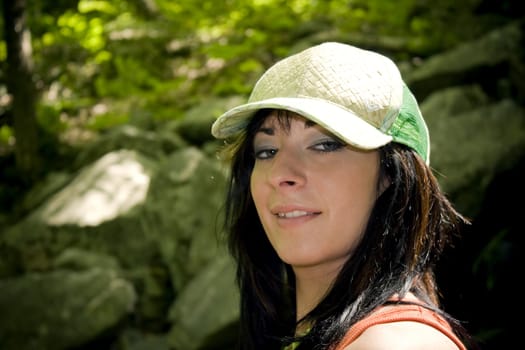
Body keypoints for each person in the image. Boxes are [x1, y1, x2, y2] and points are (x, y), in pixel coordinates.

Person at [211, 42, 476, 350]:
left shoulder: (392, 343)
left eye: (325, 145)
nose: (281, 174)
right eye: (266, 151)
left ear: (392, 175)